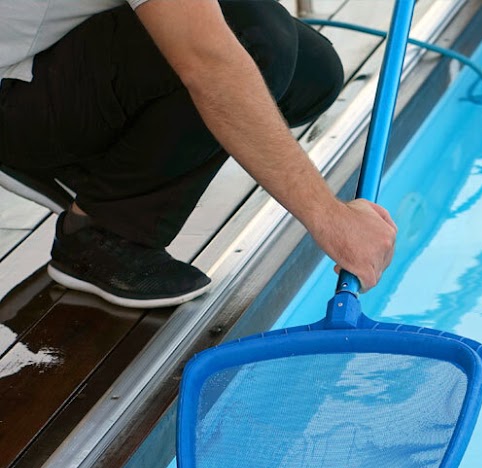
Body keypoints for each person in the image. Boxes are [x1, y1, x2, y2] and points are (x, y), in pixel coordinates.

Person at [0, 0, 398, 308]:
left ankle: (86, 161)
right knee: (251, 38)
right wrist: (330, 218)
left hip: (49, 47)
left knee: (311, 72)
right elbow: (210, 63)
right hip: (11, 93)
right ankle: (100, 232)